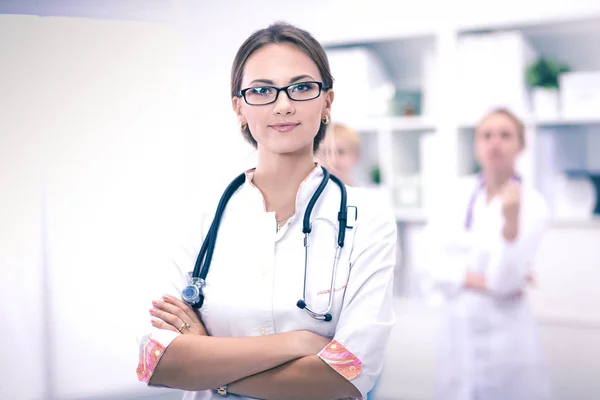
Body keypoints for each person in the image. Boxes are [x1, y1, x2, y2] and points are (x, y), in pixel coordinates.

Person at [135, 21, 398, 400]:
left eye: (302, 87)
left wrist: (208, 366)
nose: (284, 105)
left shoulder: (367, 217)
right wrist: (297, 343)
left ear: (327, 102)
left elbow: (351, 373)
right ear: (239, 108)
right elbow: (156, 362)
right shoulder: (202, 214)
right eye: (261, 91)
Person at [420, 107, 551, 400]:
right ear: (477, 144)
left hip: (506, 339)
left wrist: (512, 222)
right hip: (458, 330)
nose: (495, 143)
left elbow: (502, 282)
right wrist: (475, 279)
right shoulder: (454, 194)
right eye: (486, 135)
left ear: (521, 145)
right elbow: (428, 264)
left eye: (505, 135)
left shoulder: (534, 205)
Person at [318, 122, 361, 186]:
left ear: (355, 156)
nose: (332, 160)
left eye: (340, 152)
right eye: (325, 153)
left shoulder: (364, 195)